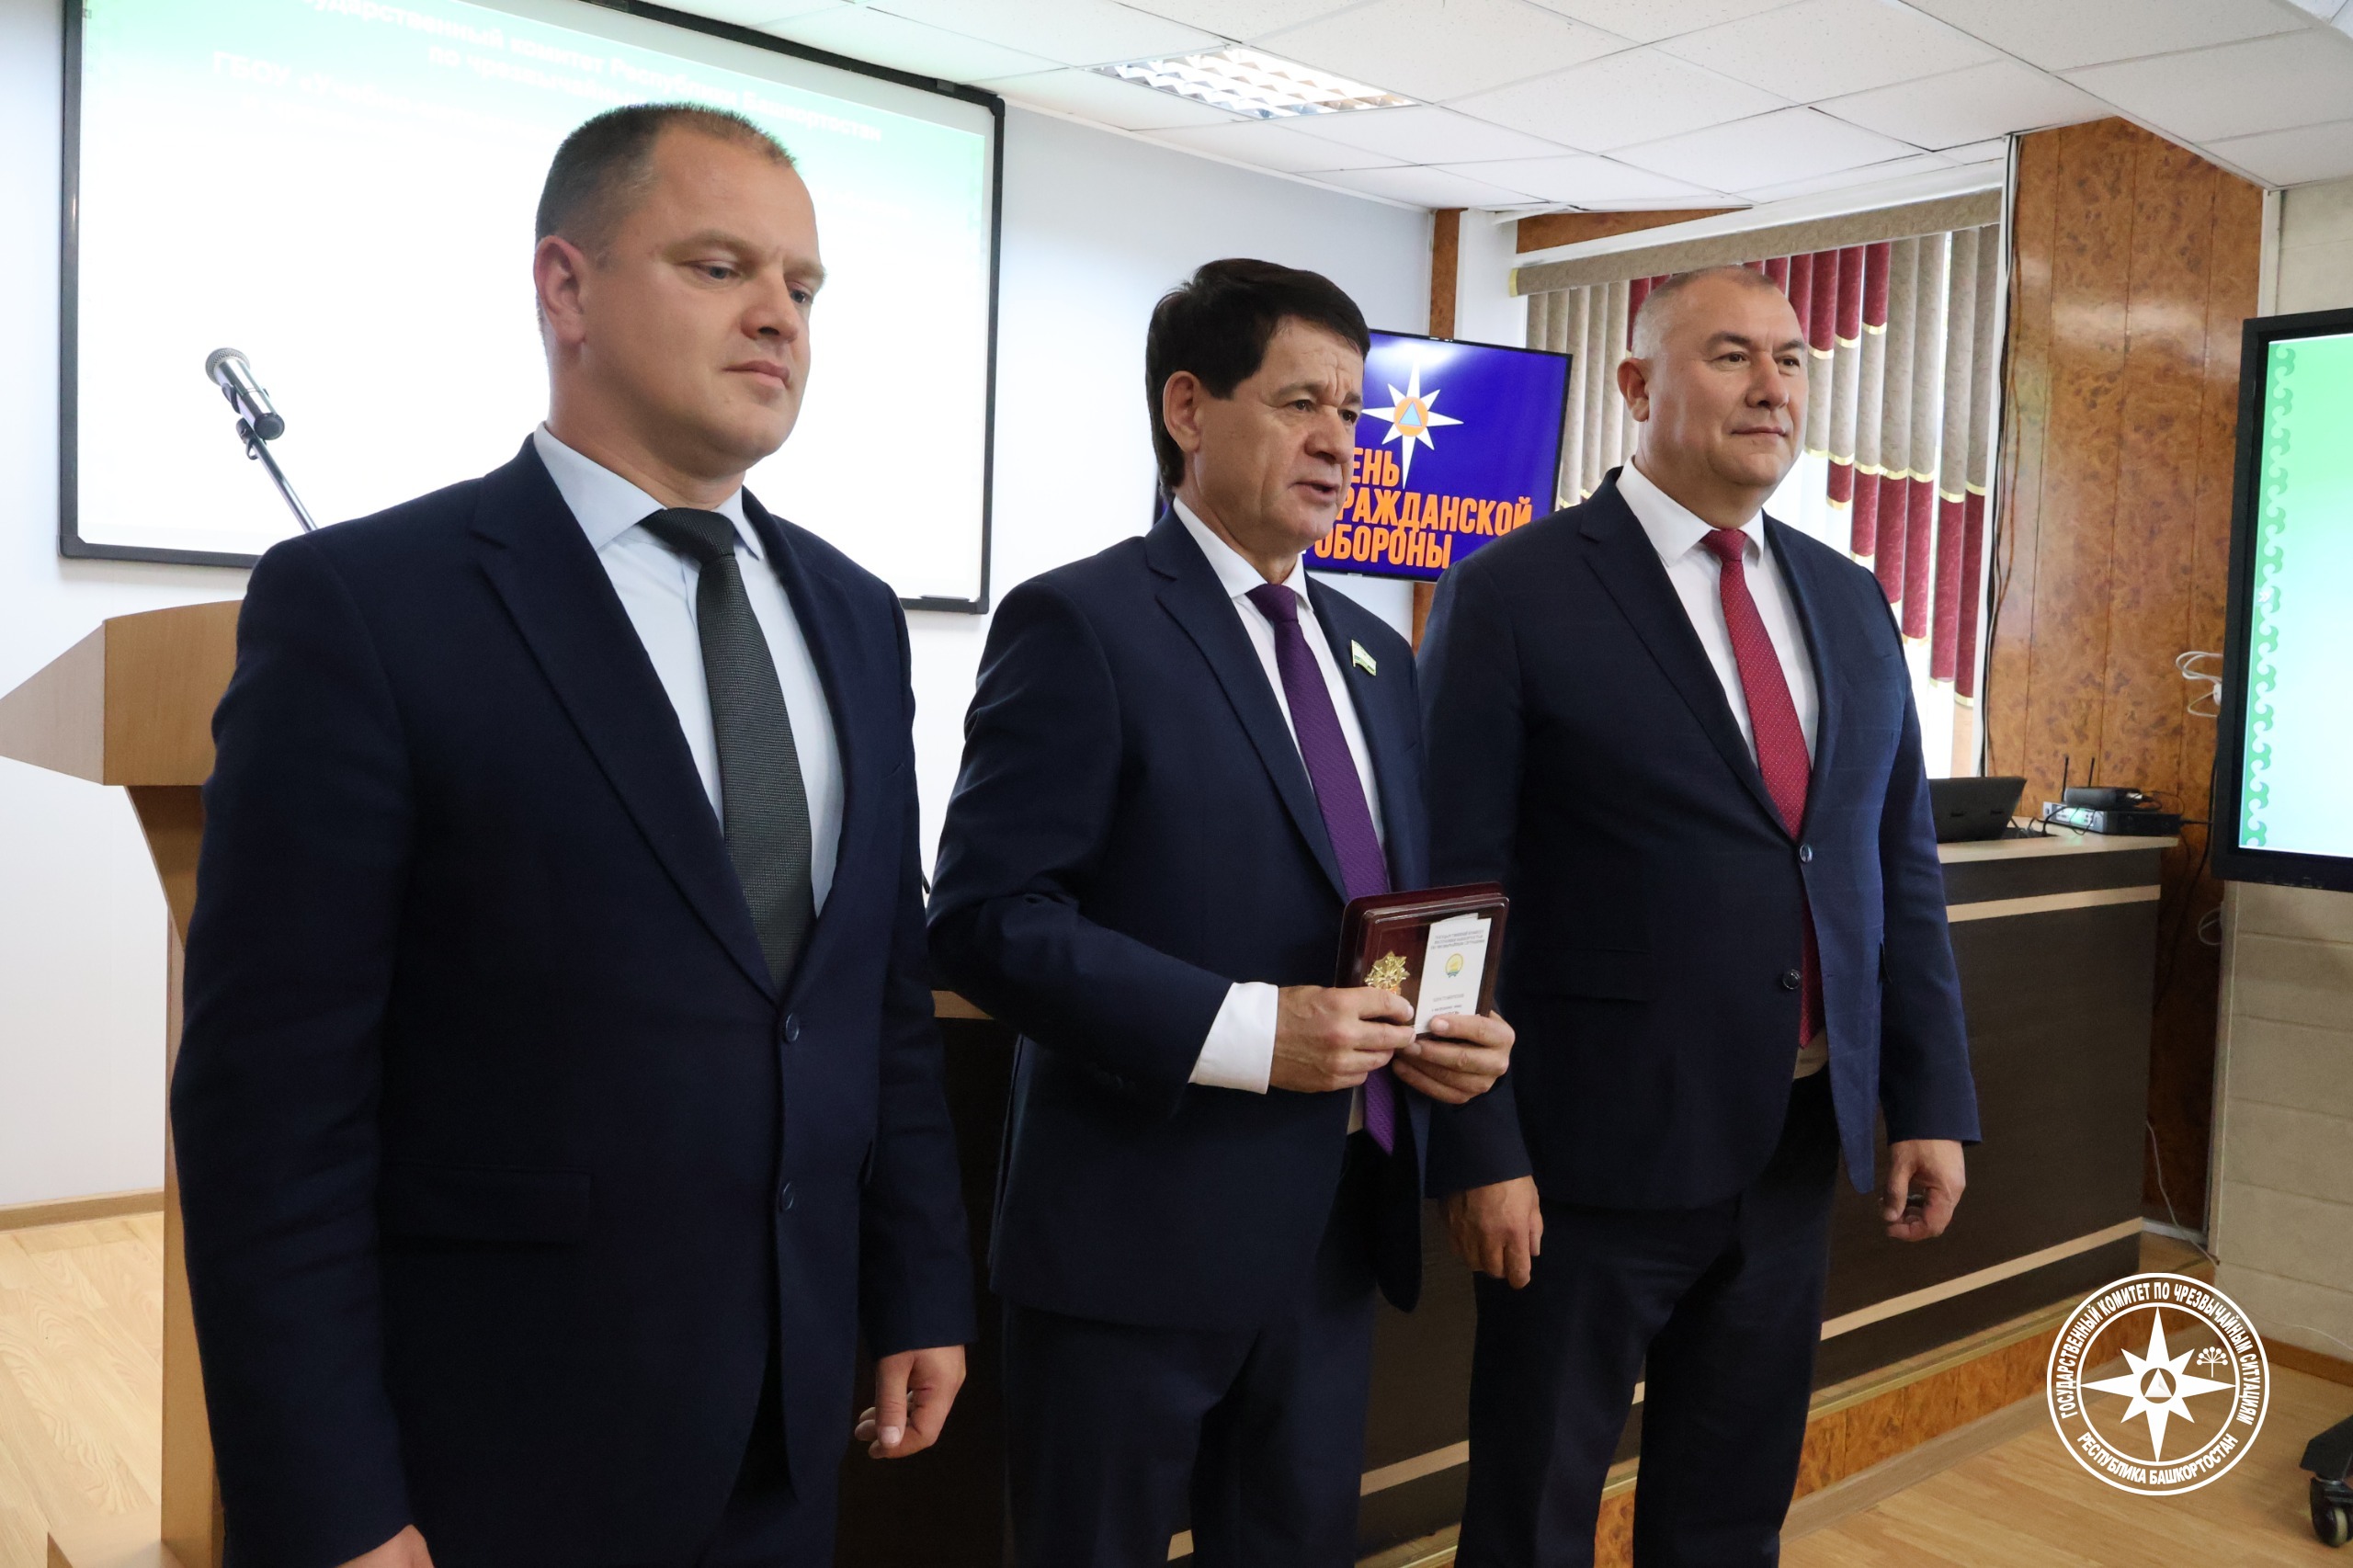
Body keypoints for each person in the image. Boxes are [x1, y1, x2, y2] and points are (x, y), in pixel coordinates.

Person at [170, 104, 973, 1568]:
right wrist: (332, 1505)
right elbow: (270, 1112)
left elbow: (881, 1000)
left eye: (802, 286)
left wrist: (918, 1277)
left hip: (789, 1434)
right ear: (566, 288)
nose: (778, 316)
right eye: (720, 266)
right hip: (496, 1451)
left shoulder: (855, 617)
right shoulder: (370, 607)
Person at [926, 258, 1516, 1567]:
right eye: (1301, 402)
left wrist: (1456, 1035)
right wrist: (1248, 1031)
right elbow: (986, 917)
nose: (1340, 442)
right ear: (1187, 408)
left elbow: (1393, 904)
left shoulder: (1378, 656)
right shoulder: (1080, 622)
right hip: (1132, 1241)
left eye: (1352, 412)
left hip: (1334, 1235)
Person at [1419, 265, 1980, 1567]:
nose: (1772, 386)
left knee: (1729, 1517)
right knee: (1533, 1518)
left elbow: (1894, 867)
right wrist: (1477, 1148)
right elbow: (1454, 892)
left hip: (1793, 1140)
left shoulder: (1849, 598)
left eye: (1791, 360)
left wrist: (1930, 1097)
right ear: (1636, 385)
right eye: (1731, 356)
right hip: (1583, 1155)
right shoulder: (1514, 591)